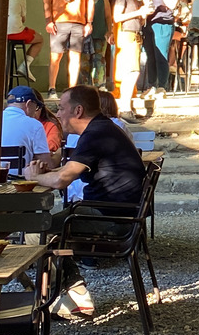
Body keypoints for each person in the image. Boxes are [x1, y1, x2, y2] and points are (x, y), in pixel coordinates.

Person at [22, 85, 148, 316]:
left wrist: (35, 177)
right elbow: (66, 170)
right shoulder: (101, 129)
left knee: (34, 231)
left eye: (61, 108)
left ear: (77, 111)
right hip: (116, 213)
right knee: (41, 227)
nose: (57, 114)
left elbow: (62, 180)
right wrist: (46, 173)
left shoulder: (96, 134)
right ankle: (72, 294)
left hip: (112, 219)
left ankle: (67, 295)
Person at [43, 0, 93, 100]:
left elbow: (89, 1)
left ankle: (72, 90)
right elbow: (47, 0)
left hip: (78, 22)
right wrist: (49, 20)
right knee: (55, 56)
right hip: (59, 21)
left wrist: (89, 22)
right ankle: (52, 87)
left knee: (75, 56)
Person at [0, 85, 53, 173]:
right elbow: (46, 164)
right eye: (36, 107)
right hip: (19, 181)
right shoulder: (35, 125)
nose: (35, 111)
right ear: (28, 104)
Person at [113, 0, 152, 120]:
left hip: (134, 35)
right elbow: (117, 17)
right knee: (132, 72)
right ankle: (125, 109)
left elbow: (138, 19)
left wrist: (143, 13)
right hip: (127, 35)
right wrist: (139, 12)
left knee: (131, 72)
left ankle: (126, 107)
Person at [0, 0, 44, 83]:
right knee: (40, 39)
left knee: (2, 51)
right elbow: (23, 19)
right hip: (14, 33)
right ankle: (25, 65)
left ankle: (0, 80)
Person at [142, 0, 181, 98]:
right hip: (149, 23)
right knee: (151, 56)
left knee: (161, 56)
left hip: (163, 23)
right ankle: (151, 85)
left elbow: (171, 4)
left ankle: (162, 87)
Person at [79, 0, 113, 90]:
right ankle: (84, 86)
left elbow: (108, 16)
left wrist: (109, 31)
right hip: (85, 35)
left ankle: (100, 85)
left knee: (99, 60)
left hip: (100, 33)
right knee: (84, 62)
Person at [27, 87, 65, 166]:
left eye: (36, 108)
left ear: (41, 108)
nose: (32, 112)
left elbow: (50, 147)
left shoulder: (50, 125)